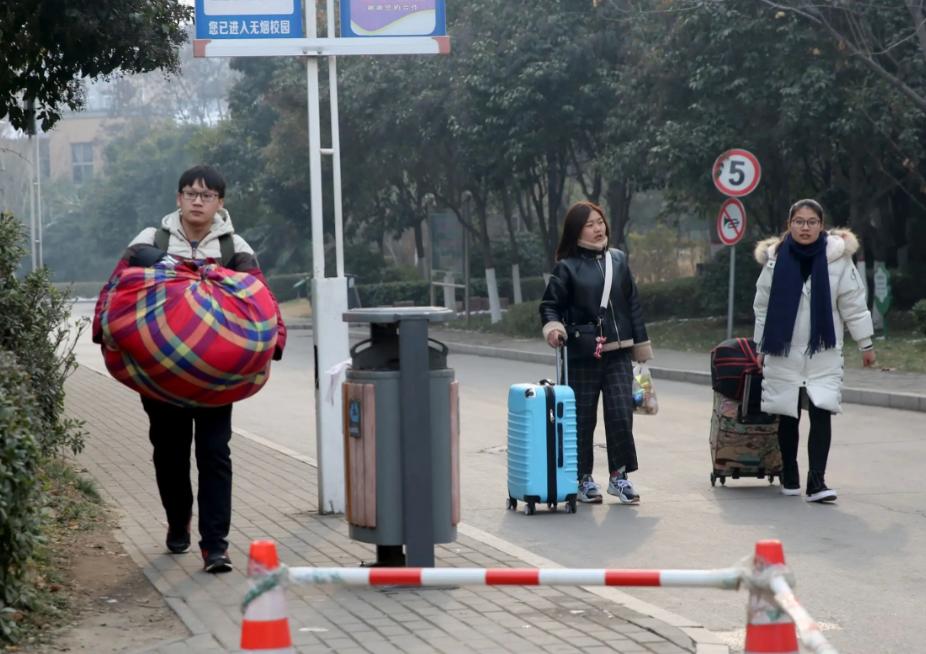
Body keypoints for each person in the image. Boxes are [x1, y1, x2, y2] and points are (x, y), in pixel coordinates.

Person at [92, 165, 287, 572]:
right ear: (178, 198)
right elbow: (116, 289)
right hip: (161, 375)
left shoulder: (235, 248)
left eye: (207, 195)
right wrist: (104, 331)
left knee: (215, 453)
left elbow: (261, 299)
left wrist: (275, 342)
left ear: (220, 203)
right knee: (170, 452)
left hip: (216, 378)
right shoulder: (151, 241)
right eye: (190, 193)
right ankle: (177, 521)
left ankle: (215, 545)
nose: (198, 201)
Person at [753, 198, 875, 503]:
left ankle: (817, 482)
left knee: (822, 412)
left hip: (824, 350)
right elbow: (763, 308)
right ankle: (790, 475)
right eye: (799, 221)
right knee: (788, 414)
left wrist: (866, 344)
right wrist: (760, 346)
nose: (805, 228)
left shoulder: (837, 260)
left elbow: (854, 305)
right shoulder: (775, 260)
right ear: (789, 225)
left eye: (811, 222)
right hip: (783, 350)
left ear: (821, 226)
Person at [539, 201, 653, 504]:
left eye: (600, 221)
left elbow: (633, 305)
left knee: (620, 415)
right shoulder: (567, 268)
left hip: (618, 353)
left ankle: (619, 477)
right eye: (590, 224)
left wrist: (640, 347)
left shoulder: (619, 260)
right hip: (582, 354)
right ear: (577, 231)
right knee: (581, 420)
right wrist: (554, 328)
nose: (598, 228)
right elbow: (550, 305)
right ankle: (583, 478)